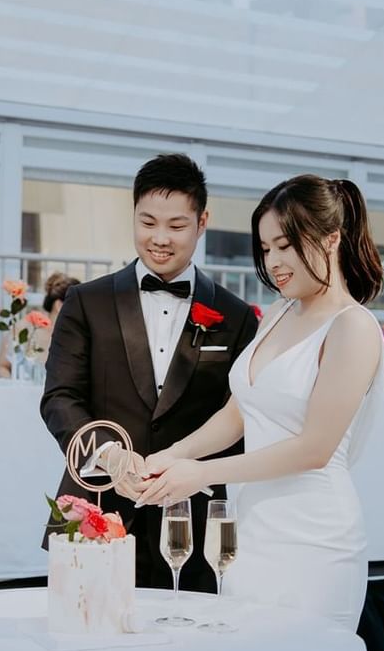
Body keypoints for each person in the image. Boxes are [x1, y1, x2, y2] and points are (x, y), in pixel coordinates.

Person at [137, 174, 384, 630]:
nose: (274, 262)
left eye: (285, 245)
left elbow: (315, 449)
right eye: (266, 248)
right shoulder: (278, 313)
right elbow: (237, 414)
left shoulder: (354, 328)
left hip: (313, 538)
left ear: (330, 239)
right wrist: (172, 456)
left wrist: (201, 474)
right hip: (249, 530)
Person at [40, 154, 259, 591]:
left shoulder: (236, 317)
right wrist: (109, 455)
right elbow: (59, 398)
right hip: (96, 508)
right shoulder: (87, 302)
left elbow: (243, 418)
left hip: (192, 523)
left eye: (177, 226)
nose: (160, 239)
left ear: (202, 222)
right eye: (148, 222)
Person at [0, 272, 80, 378]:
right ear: (59, 306)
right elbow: (2, 367)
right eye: (78, 306)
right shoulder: (25, 327)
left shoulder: (77, 336)